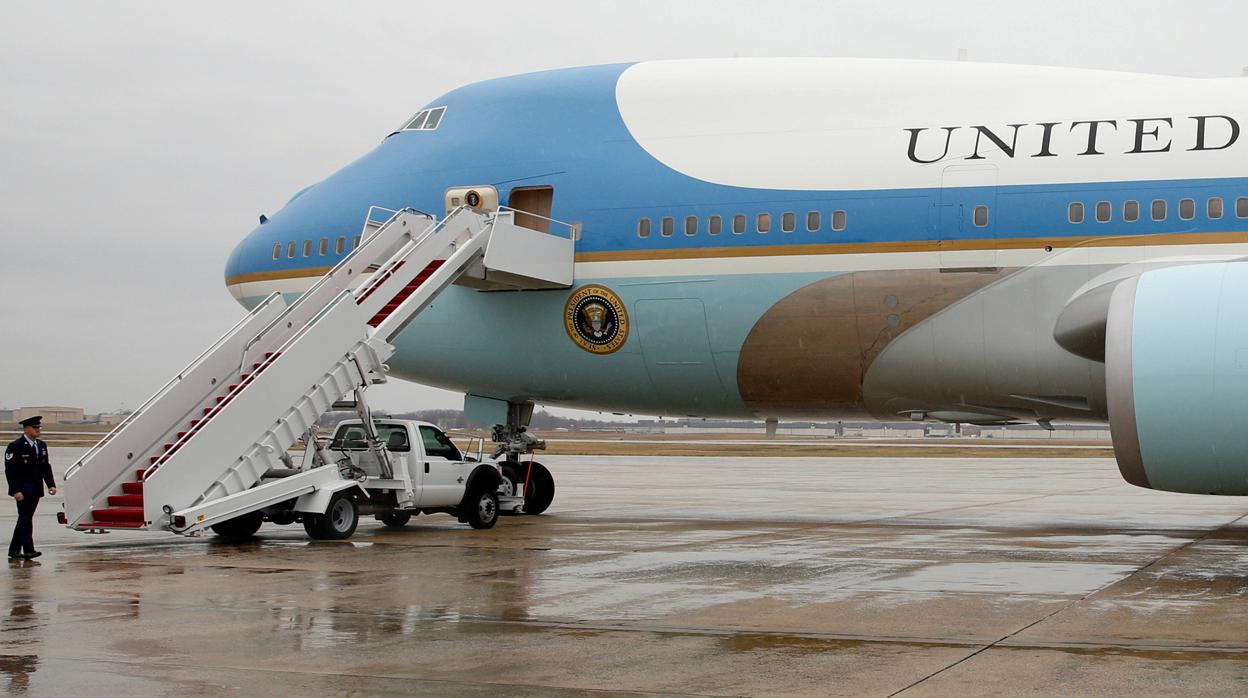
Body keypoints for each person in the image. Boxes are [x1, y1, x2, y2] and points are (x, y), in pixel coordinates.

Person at [6, 416, 56, 560]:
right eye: (35, 428)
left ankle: (14, 550)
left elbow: (45, 467)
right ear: (27, 429)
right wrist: (15, 490)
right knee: (26, 519)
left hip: (35, 488)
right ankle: (29, 550)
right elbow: (10, 471)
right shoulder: (15, 446)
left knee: (24, 518)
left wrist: (51, 484)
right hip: (22, 490)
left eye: (39, 427)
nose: (38, 430)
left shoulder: (41, 445)